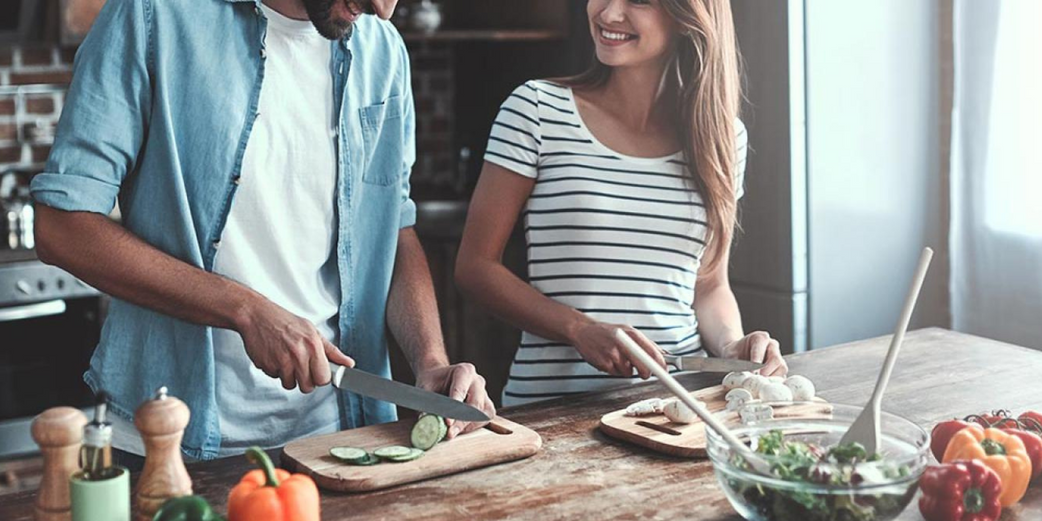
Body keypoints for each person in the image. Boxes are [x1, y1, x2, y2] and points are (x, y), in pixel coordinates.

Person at [31, 0, 495, 461]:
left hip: (335, 440)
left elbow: (393, 228)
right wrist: (246, 311)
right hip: (167, 439)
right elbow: (62, 227)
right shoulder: (154, 16)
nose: (383, 10)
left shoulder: (383, 51)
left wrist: (430, 360)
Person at [455, 0, 787, 406]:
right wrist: (579, 329)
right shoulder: (537, 110)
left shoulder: (723, 136)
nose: (609, 14)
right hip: (552, 409)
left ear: (687, 19)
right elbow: (475, 267)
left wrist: (732, 346)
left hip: (678, 409)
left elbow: (707, 285)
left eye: (639, 1)